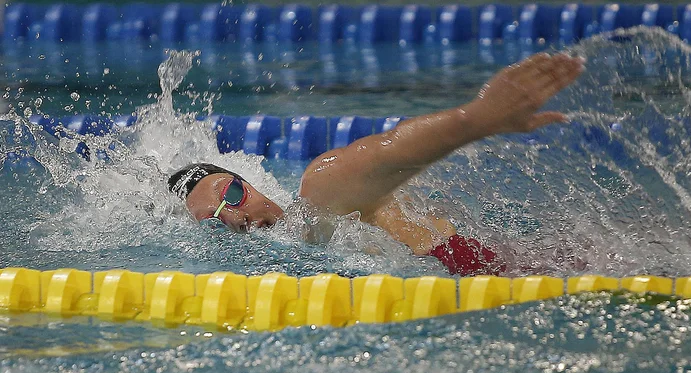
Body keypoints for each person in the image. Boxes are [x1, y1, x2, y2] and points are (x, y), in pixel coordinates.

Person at [168, 53, 585, 276]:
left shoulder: (319, 200)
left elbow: (386, 153)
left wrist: (475, 120)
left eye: (233, 195)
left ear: (250, 183)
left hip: (549, 272)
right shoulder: (295, 253)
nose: (235, 219)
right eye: (213, 221)